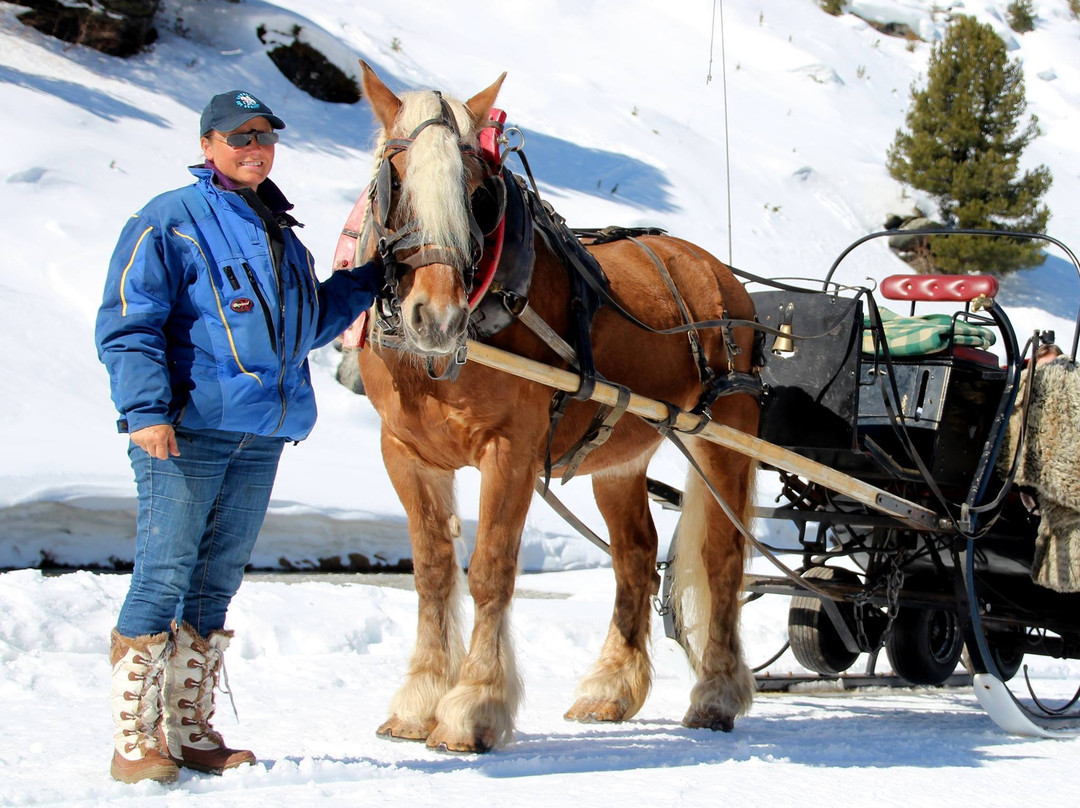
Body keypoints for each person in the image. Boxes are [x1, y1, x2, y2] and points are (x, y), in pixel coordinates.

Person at [95, 90, 381, 784]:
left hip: (261, 435)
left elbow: (304, 327)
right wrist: (145, 412)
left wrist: (373, 277)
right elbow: (129, 323)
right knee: (163, 574)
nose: (255, 147)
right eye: (240, 136)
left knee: (215, 582)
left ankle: (188, 729)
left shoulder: (281, 232)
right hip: (187, 432)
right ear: (208, 145)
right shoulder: (170, 220)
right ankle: (136, 739)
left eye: (265, 137)